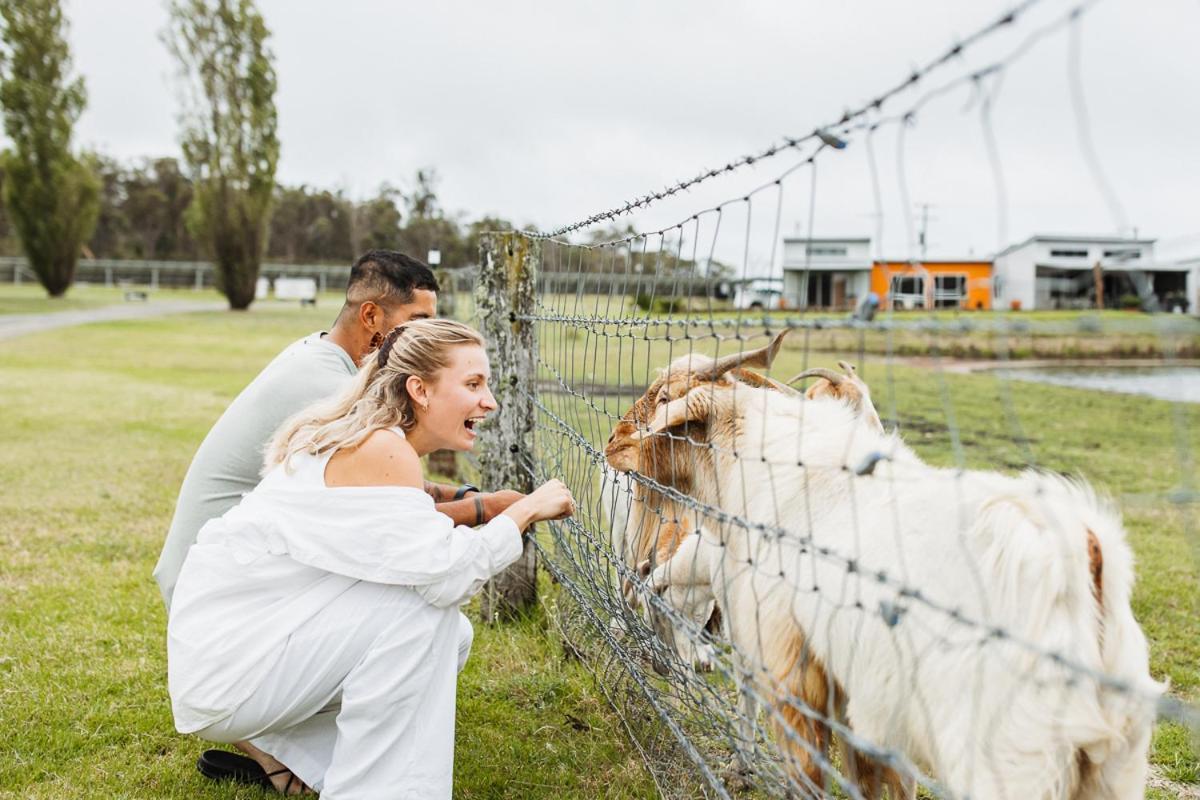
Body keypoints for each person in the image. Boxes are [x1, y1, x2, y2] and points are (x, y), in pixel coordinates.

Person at [154, 249, 523, 789]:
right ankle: (281, 750)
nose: (431, 333)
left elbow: (394, 498)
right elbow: (395, 510)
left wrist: (468, 497)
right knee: (417, 606)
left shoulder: (328, 361)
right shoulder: (331, 387)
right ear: (372, 318)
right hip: (234, 591)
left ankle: (313, 753)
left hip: (258, 580)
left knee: (445, 626)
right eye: (420, 322)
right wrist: (486, 509)